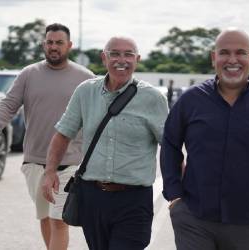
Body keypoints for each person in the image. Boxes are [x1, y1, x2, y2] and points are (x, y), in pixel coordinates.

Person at [160, 28, 249, 250]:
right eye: (224, 52)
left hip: (245, 220)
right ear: (214, 57)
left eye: (240, 53)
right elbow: (170, 144)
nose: (232, 60)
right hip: (193, 217)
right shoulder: (190, 100)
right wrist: (174, 195)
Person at [42, 36, 168, 250]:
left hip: (134, 200)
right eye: (115, 54)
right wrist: (50, 171)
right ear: (104, 58)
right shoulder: (85, 91)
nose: (122, 59)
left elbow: (170, 145)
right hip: (93, 196)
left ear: (137, 59)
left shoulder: (153, 99)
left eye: (128, 54)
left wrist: (181, 187)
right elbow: (63, 133)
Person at [0, 23, 95, 250]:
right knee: (45, 218)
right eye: (50, 42)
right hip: (34, 161)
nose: (54, 47)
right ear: (44, 44)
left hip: (70, 162)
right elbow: (8, 105)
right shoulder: (28, 74)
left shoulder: (86, 77)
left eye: (59, 43)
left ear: (69, 46)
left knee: (59, 221)